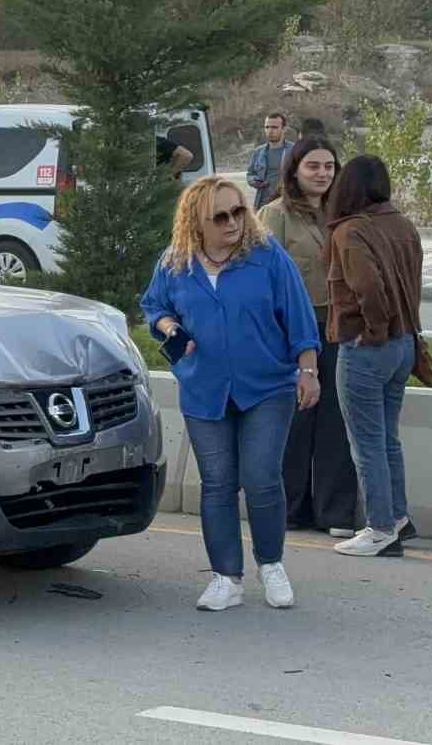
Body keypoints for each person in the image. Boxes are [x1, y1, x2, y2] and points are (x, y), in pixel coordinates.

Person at [141, 176, 320, 611]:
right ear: (196, 222)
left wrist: (308, 369)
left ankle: (272, 565)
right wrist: (169, 328)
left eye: (238, 211)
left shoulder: (266, 256)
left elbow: (298, 315)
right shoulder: (175, 262)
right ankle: (226, 577)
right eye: (219, 216)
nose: (233, 222)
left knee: (260, 479)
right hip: (205, 390)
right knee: (217, 485)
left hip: (267, 387)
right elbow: (154, 306)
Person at [326, 155, 426, 558]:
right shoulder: (403, 224)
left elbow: (367, 286)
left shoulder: (349, 231)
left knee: (365, 443)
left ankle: (380, 528)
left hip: (368, 347)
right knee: (387, 439)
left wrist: (374, 332)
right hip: (404, 345)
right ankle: (398, 517)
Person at [260, 139, 359, 539]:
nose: (322, 174)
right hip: (292, 330)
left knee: (338, 417)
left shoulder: (345, 215)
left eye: (329, 167)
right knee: (296, 417)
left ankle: (335, 512)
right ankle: (288, 507)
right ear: (295, 170)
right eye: (313, 166)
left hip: (339, 326)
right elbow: (262, 276)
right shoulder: (275, 214)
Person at [247, 113, 292, 210]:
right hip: (262, 205)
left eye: (274, 127)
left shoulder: (294, 150)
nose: (270, 131)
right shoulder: (258, 152)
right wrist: (254, 181)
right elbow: (250, 174)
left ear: (284, 129)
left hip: (287, 204)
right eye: (267, 127)